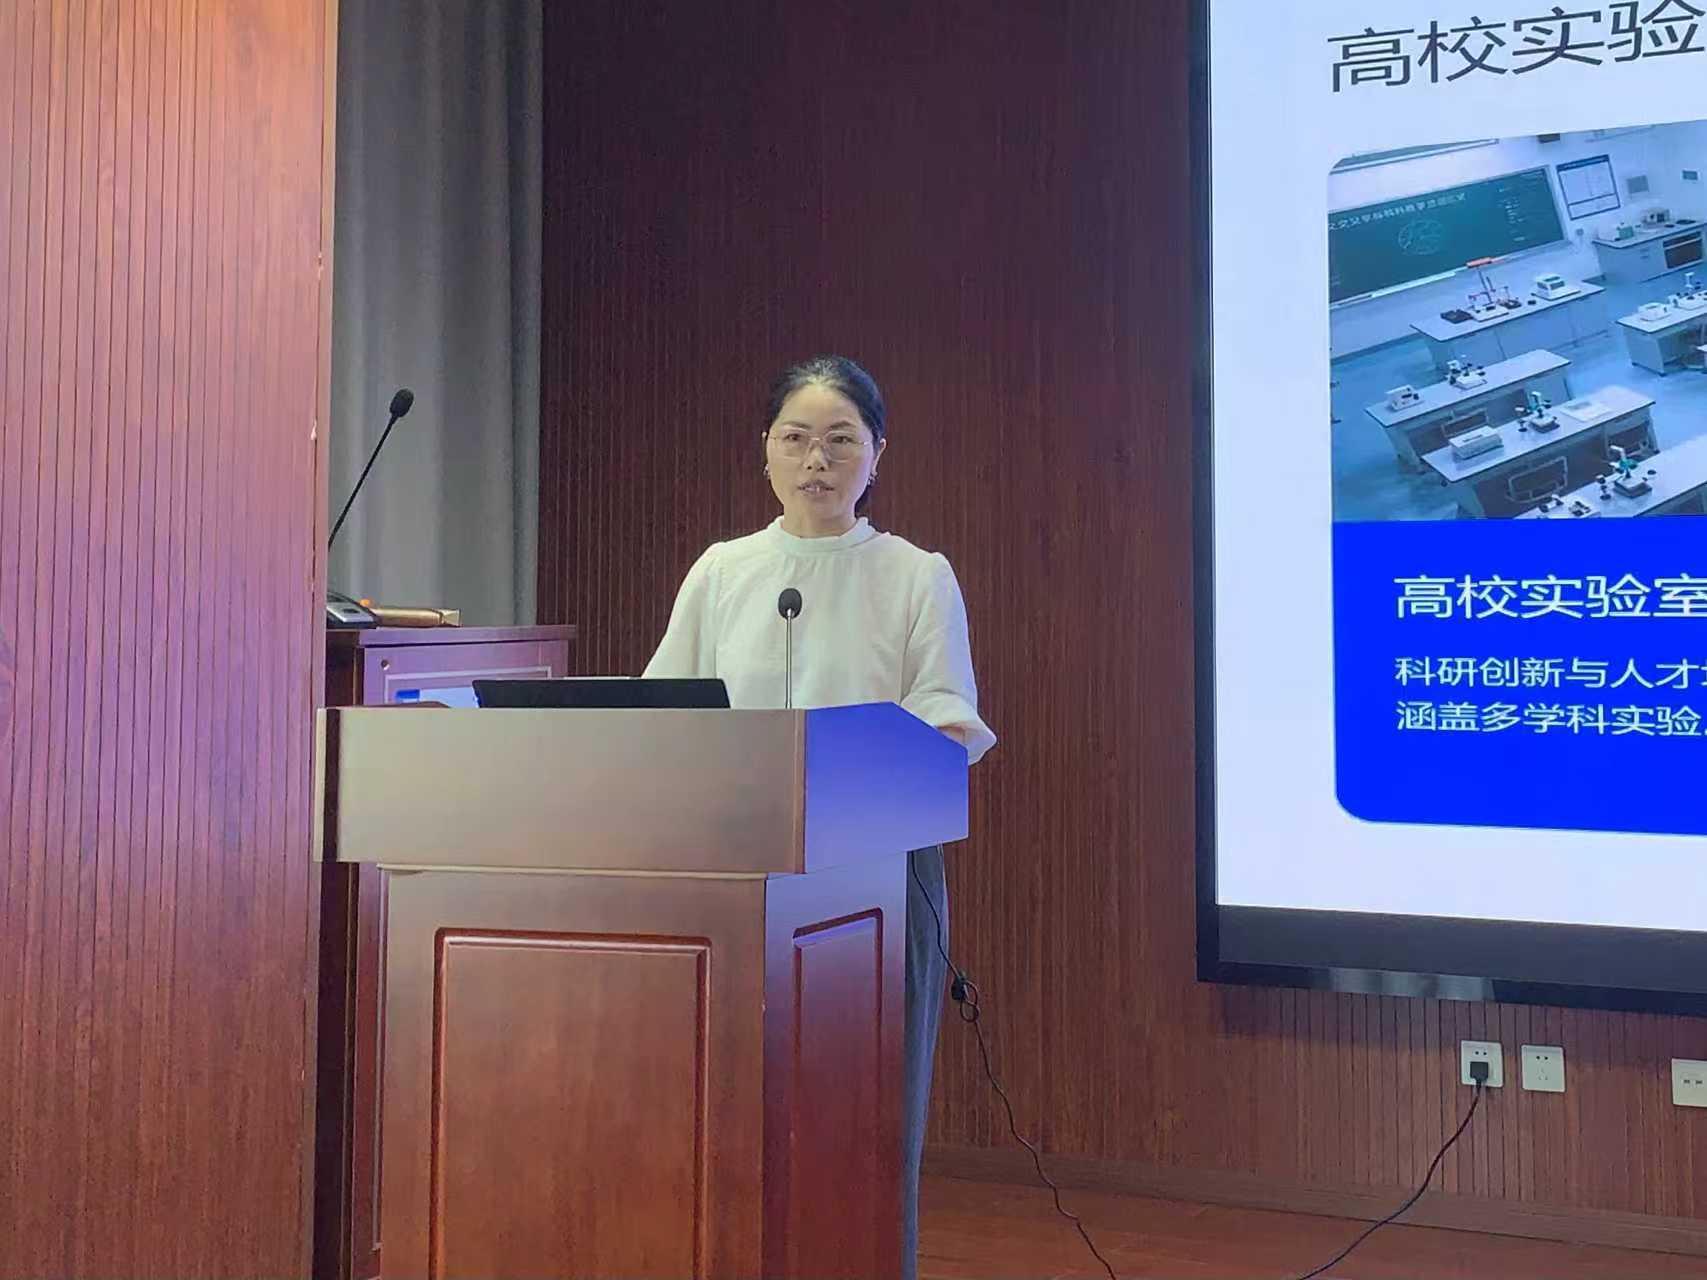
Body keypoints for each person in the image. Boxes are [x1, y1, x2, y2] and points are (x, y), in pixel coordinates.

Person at [643, 354, 995, 1278]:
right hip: (736, 869)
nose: (816, 460)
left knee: (869, 1118)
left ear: (877, 455)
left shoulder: (915, 575)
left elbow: (947, 724)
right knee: (734, 1110)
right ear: (764, 450)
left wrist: (859, 766)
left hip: (878, 872)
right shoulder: (724, 571)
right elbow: (662, 711)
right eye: (795, 438)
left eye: (841, 440)